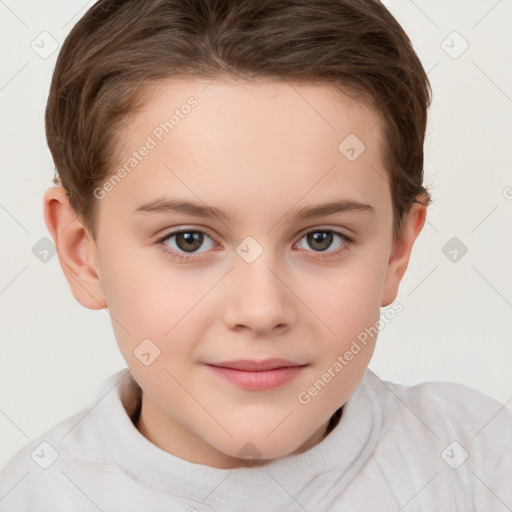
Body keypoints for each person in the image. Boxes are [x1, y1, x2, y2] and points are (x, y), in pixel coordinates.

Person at [1, 0, 510, 510]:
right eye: (189, 240)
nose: (261, 310)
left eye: (321, 239)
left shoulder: (480, 463)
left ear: (398, 249)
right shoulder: (29, 496)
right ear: (81, 251)